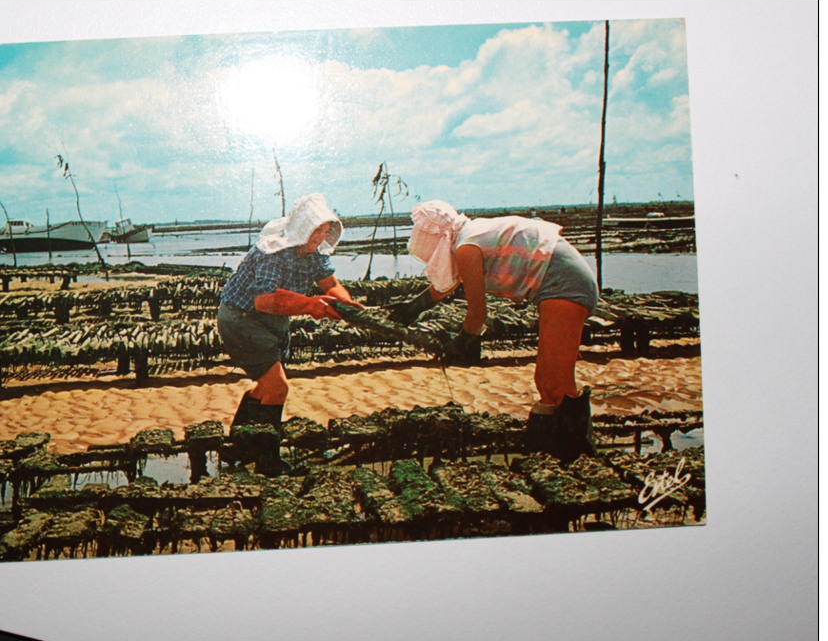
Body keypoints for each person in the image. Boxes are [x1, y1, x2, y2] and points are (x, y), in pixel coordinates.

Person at [389, 200, 600, 463]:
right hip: (556, 286)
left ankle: (579, 457)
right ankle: (553, 454)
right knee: (544, 381)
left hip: (565, 285)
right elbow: (451, 282)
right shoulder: (469, 234)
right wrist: (415, 305)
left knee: (556, 381)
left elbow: (478, 314)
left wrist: (462, 342)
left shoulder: (467, 246)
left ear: (437, 236)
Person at [217, 192, 362, 475]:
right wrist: (309, 305)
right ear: (301, 229)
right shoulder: (273, 252)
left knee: (265, 387)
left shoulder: (314, 252)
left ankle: (237, 447)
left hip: (273, 322)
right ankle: (267, 460)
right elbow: (263, 300)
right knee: (278, 387)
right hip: (242, 318)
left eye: (324, 230)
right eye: (315, 230)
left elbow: (329, 283)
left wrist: (347, 303)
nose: (320, 236)